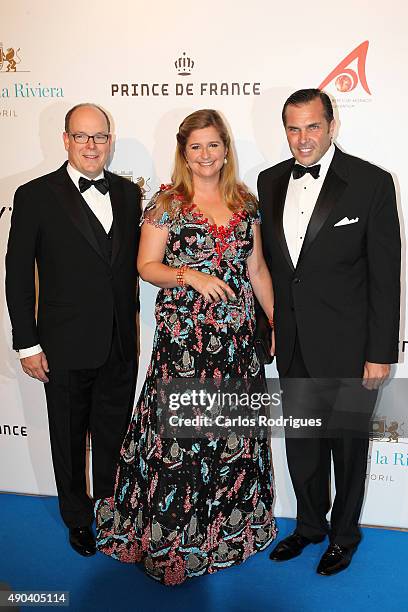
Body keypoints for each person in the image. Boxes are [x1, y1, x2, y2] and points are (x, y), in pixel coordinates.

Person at [95, 109, 276, 585]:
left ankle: (227, 534)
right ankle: (172, 541)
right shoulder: (166, 203)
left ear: (226, 148)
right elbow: (145, 265)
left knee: (231, 441)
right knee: (181, 441)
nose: (205, 155)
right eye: (195, 147)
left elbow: (256, 270)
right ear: (183, 152)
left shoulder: (245, 202)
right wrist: (189, 276)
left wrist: (275, 320)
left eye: (213, 145)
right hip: (185, 344)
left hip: (236, 345)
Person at [257, 89, 400, 575]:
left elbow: (386, 275)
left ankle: (344, 535)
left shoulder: (372, 182)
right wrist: (271, 326)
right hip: (293, 345)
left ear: (331, 124)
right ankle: (309, 527)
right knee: (302, 449)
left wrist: (380, 351)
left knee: (348, 448)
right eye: (293, 129)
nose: (302, 139)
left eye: (312, 127)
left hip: (350, 347)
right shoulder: (270, 180)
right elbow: (273, 268)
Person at [5, 103, 141, 557]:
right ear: (65, 140)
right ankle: (77, 518)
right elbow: (18, 275)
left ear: (110, 140)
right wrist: (27, 343)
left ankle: (109, 509)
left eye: (99, 137)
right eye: (81, 137)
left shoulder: (126, 193)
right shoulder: (34, 194)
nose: (91, 145)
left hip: (120, 342)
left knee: (113, 435)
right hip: (62, 345)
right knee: (66, 437)